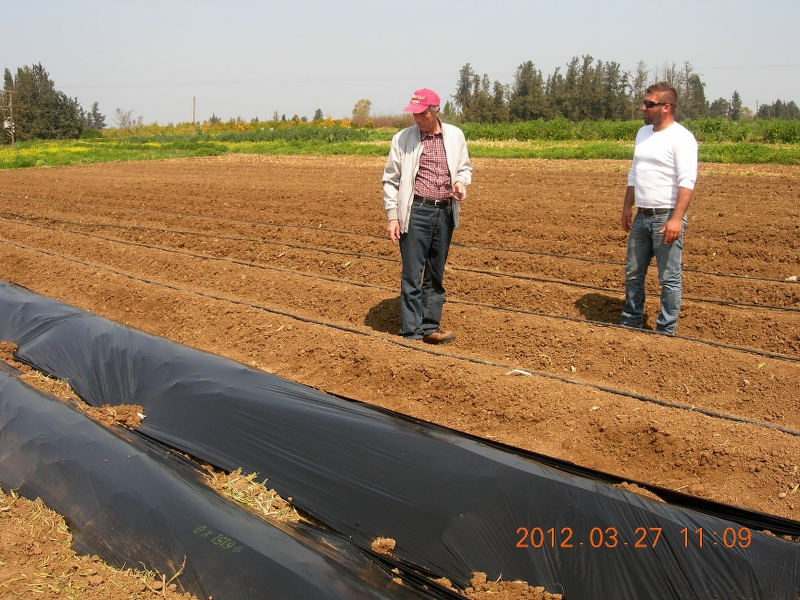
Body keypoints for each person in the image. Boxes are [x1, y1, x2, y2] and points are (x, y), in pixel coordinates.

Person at [382, 88, 472, 344]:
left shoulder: (455, 136)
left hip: (444, 212)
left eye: (423, 114)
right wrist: (393, 215)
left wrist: (460, 182)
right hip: (416, 211)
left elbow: (464, 168)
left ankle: (430, 327)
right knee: (412, 274)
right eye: (415, 114)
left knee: (435, 273)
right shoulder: (402, 139)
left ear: (436, 111)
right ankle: (411, 332)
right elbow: (390, 180)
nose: (418, 119)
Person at [620, 81, 698, 335]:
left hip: (666, 217)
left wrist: (676, 219)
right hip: (642, 216)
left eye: (649, 104)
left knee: (668, 278)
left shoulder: (682, 138)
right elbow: (635, 172)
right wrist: (627, 206)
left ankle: (665, 330)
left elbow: (687, 181)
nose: (643, 107)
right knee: (633, 273)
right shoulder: (643, 133)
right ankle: (631, 321)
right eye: (644, 102)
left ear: (666, 107)